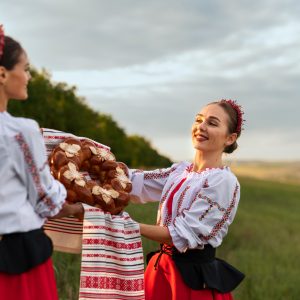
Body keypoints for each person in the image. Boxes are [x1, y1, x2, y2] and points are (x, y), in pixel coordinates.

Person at [129, 99, 245, 300]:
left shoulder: (223, 181)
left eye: (212, 123)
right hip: (160, 270)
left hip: (190, 283)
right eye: (198, 120)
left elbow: (180, 235)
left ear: (229, 138)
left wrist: (128, 226)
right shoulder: (181, 171)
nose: (201, 126)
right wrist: (90, 163)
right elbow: (135, 182)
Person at [0, 26, 83, 300]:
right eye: (24, 68)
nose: (28, 76)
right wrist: (78, 201)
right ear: (2, 74)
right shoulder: (18, 132)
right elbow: (46, 201)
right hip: (14, 259)